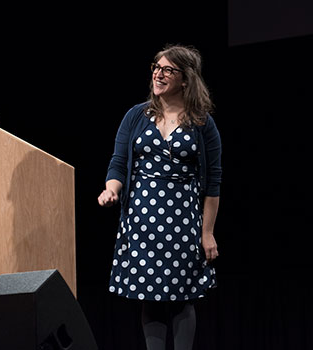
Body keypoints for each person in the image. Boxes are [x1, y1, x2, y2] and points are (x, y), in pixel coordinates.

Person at [98, 44, 222, 350]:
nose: (159, 74)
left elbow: (213, 182)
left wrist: (207, 233)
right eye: (156, 67)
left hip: (182, 219)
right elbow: (118, 163)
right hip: (142, 217)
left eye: (168, 69)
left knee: (182, 297)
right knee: (149, 297)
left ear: (185, 79)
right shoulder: (136, 116)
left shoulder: (202, 122)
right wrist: (111, 189)